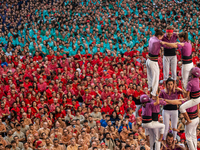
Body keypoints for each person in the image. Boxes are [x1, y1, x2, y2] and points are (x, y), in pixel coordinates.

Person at [160, 78, 183, 142]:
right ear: (166, 84)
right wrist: (174, 101)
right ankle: (164, 140)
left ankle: (174, 140)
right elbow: (159, 99)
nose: (170, 86)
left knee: (174, 126)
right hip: (166, 110)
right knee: (166, 126)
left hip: (174, 110)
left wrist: (179, 89)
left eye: (171, 84)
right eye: (169, 84)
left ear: (173, 84)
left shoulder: (176, 90)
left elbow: (184, 93)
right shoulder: (163, 91)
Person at [146, 29, 164, 100]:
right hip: (153, 61)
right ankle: (153, 94)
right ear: (159, 36)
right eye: (161, 36)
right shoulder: (158, 41)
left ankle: (150, 90)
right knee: (156, 78)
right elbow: (164, 43)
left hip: (148, 60)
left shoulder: (151, 38)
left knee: (150, 77)